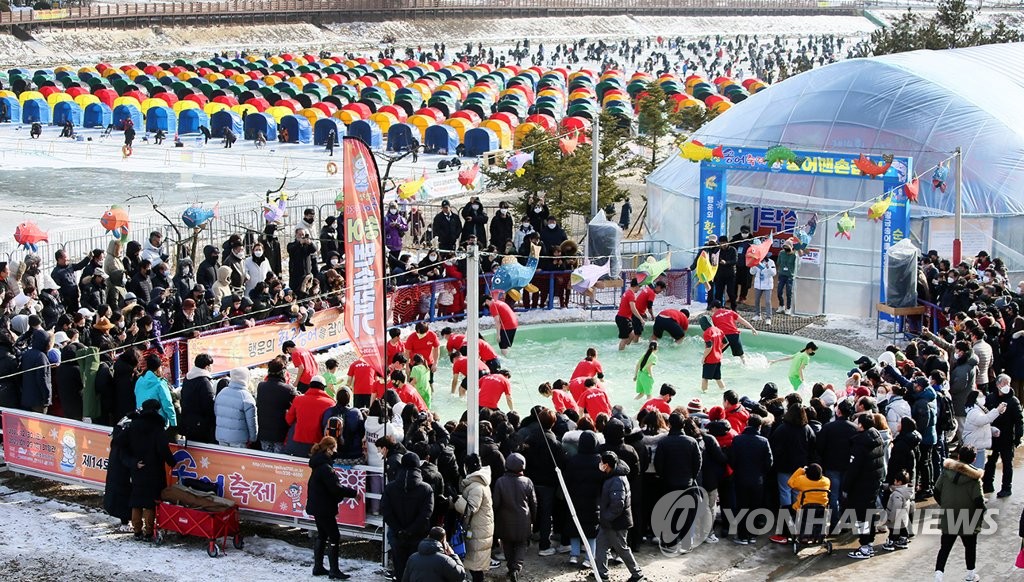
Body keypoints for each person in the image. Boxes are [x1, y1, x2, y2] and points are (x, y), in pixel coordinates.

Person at [306, 436, 358, 580]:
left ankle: (318, 567)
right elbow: (336, 488)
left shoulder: (318, 464)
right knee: (334, 535)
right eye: (335, 448)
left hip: (317, 505)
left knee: (322, 534)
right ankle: (334, 570)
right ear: (329, 449)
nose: (336, 451)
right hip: (324, 507)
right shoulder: (325, 468)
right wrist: (353, 493)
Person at [123, 399, 175, 541]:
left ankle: (137, 531)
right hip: (154, 469)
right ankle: (148, 532)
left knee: (137, 500)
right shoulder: (157, 427)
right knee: (150, 502)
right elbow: (163, 449)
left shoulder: (133, 425)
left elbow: (123, 447)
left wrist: (133, 463)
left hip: (138, 468)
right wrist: (172, 462)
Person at [934, 445, 986, 582]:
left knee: (944, 548)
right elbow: (979, 501)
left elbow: (936, 491)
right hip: (968, 517)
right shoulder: (975, 479)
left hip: (948, 514)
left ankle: (938, 576)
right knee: (970, 547)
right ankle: (970, 575)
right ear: (974, 459)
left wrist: (944, 505)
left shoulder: (946, 472)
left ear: (958, 457)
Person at [381, 452, 434, 582]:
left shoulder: (390, 487)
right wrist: (410, 530)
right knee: (417, 571)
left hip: (396, 535)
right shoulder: (426, 489)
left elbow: (386, 511)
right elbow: (426, 514)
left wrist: (398, 529)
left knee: (399, 568)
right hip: (418, 536)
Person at [595, 451, 646, 582]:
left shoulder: (616, 480)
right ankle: (600, 573)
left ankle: (637, 574)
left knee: (621, 548)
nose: (600, 465)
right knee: (601, 545)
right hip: (610, 522)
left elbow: (618, 505)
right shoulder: (614, 476)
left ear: (607, 465)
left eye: (601, 462)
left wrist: (606, 517)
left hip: (616, 523)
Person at [845, 414, 886, 560]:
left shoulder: (860, 443)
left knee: (862, 516)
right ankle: (868, 542)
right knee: (869, 513)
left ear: (861, 425)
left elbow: (854, 468)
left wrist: (846, 486)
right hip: (873, 483)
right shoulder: (877, 438)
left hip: (861, 485)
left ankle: (865, 546)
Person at [493, 453, 536, 582]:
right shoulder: (527, 481)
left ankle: (511, 568)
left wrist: (494, 518)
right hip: (523, 520)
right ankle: (516, 568)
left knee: (507, 544)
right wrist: (533, 519)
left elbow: (496, 503)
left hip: (504, 520)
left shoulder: (500, 481)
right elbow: (534, 503)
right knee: (521, 544)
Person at [729, 415, 773, 544]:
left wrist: (737, 469)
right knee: (755, 506)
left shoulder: (737, 440)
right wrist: (761, 473)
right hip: (757, 479)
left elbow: (732, 459)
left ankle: (742, 536)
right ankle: (752, 534)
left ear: (747, 423)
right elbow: (769, 462)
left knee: (742, 506)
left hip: (741, 478)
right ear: (759, 426)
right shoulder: (763, 441)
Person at [454, 454, 494, 582]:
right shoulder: (480, 482)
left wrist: (456, 499)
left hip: (478, 529)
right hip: (481, 527)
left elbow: (470, 509)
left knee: (476, 566)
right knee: (476, 565)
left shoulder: (476, 487)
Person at [983, 374, 1023, 497]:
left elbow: (1019, 421)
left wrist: (1017, 437)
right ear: (997, 384)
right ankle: (987, 484)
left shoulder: (1013, 401)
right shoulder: (990, 398)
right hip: (992, 438)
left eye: (1008, 383)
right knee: (990, 462)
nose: (1006, 386)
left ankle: (1006, 488)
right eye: (1003, 383)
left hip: (1007, 438)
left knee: (1007, 464)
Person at [285, 375, 335, 457]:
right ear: (323, 388)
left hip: (298, 443)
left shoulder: (298, 399)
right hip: (318, 445)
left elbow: (289, 420)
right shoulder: (330, 403)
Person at [256, 356, 297, 453]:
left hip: (264, 431)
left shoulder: (261, 386)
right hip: (280, 432)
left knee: (265, 461)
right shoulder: (288, 389)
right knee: (278, 462)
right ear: (283, 372)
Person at [962, 389, 1007, 471]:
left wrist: (992, 430)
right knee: (974, 472)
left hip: (979, 447)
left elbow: (980, 426)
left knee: (978, 471)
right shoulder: (973, 411)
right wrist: (997, 411)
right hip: (974, 448)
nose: (984, 397)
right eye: (981, 396)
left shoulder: (980, 410)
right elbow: (983, 420)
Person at [402, 526, 466, 582]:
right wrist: (453, 555)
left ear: (428, 536)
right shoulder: (445, 560)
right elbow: (460, 576)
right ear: (443, 541)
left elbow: (405, 579)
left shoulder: (412, 558)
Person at [214, 367, 258, 448]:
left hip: (221, 437)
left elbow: (216, 413)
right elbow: (252, 422)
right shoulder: (246, 397)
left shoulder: (222, 393)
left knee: (223, 459)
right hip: (239, 440)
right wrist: (253, 438)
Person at [179, 353, 217, 443]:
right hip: (201, 425)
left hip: (188, 422)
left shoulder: (187, 378)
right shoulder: (204, 382)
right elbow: (208, 404)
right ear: (207, 366)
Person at [134, 354, 176, 431]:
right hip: (158, 422)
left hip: (141, 420)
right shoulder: (160, 383)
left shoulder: (139, 381)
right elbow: (167, 404)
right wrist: (174, 423)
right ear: (159, 367)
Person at [882, 469, 914, 551]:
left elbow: (896, 507)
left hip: (896, 518)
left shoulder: (897, 494)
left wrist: (890, 519)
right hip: (904, 517)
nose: (894, 482)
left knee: (893, 532)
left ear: (899, 482)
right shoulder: (907, 492)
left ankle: (890, 543)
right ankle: (903, 541)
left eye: (895, 481)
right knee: (903, 529)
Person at [699, 315, 726, 393]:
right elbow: (725, 342)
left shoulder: (707, 332)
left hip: (710, 359)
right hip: (718, 358)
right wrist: (718, 349)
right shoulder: (718, 330)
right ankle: (724, 391)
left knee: (705, 378)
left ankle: (703, 393)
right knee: (718, 378)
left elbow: (709, 347)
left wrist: (703, 358)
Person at [616, 278, 643, 350]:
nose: (639, 289)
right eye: (639, 287)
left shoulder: (627, 292)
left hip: (623, 318)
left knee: (632, 336)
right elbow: (633, 308)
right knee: (624, 338)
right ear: (636, 286)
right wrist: (641, 319)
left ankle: (624, 348)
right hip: (623, 318)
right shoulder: (631, 295)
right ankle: (621, 352)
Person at [750, 251, 777, 325]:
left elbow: (773, 273)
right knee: (757, 300)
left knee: (768, 301)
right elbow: (752, 272)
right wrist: (753, 265)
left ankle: (768, 317)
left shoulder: (771, 262)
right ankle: (757, 315)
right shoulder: (757, 262)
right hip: (758, 284)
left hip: (767, 285)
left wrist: (768, 267)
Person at [776, 240, 797, 315]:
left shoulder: (794, 255)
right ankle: (781, 306)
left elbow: (797, 265)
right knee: (779, 291)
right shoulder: (781, 253)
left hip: (789, 276)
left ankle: (788, 308)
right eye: (784, 247)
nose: (786, 249)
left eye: (787, 247)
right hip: (782, 274)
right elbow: (778, 262)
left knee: (788, 292)